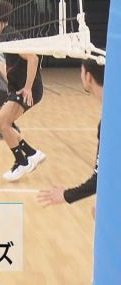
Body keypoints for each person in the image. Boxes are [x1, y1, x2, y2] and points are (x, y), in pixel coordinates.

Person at [0, 0, 45, 182]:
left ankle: (22, 162)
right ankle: (32, 154)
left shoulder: (10, 35)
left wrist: (27, 88)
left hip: (26, 89)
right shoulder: (5, 34)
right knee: (3, 123)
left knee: (2, 123)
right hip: (16, 88)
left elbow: (33, 58)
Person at [38, 59, 104, 206]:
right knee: (98, 210)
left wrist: (66, 195)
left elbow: (100, 177)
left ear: (88, 77)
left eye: (81, 71)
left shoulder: (109, 123)